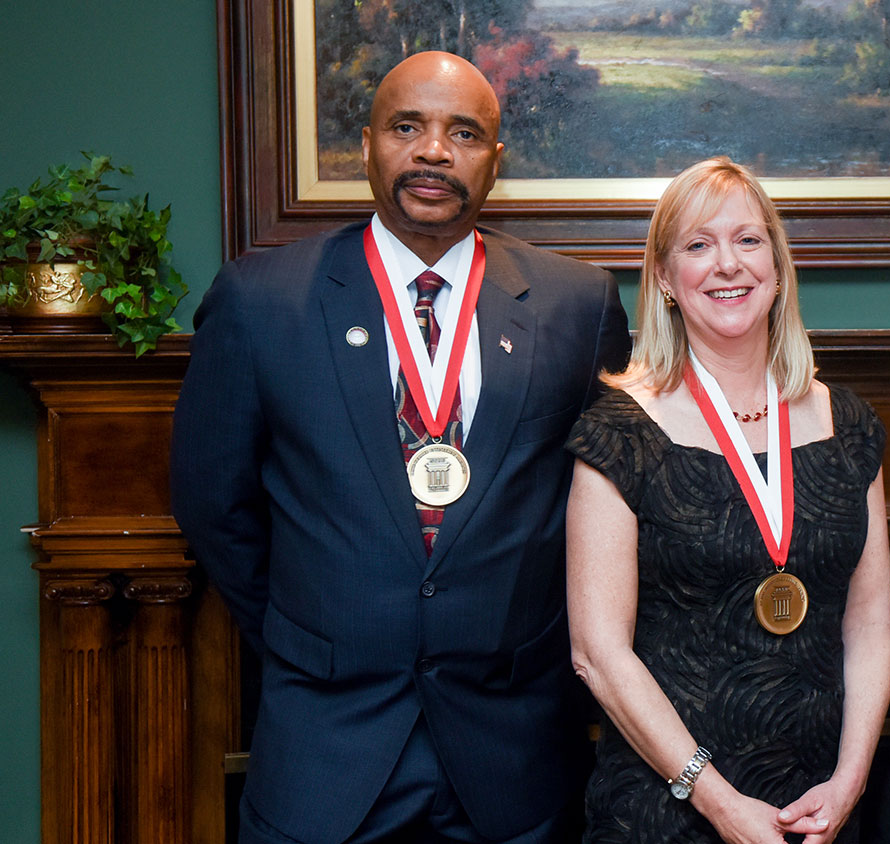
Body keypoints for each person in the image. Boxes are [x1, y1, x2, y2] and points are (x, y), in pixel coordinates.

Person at [171, 52, 630, 844]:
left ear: (495, 160)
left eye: (465, 133)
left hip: (511, 753)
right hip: (324, 747)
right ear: (367, 144)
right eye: (407, 127)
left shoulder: (575, 304)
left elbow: (602, 507)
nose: (433, 152)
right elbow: (214, 501)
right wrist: (312, 631)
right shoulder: (262, 299)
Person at [565, 156, 890, 844]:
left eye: (748, 241)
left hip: (819, 811)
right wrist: (718, 803)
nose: (727, 265)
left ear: (777, 267)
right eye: (697, 245)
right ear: (663, 277)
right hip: (668, 810)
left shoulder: (852, 426)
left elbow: (868, 627)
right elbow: (599, 653)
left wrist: (851, 780)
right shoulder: (619, 430)